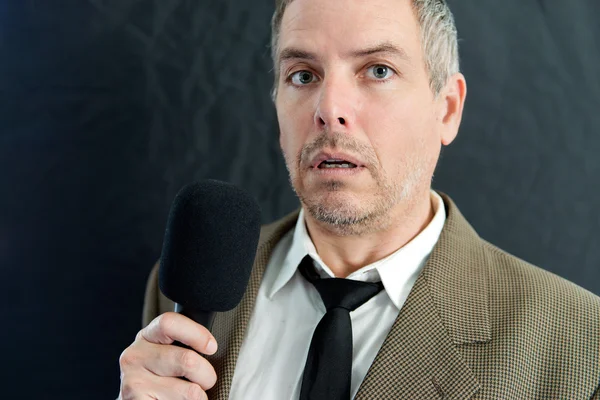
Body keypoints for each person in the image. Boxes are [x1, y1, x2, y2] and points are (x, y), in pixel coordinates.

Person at [118, 0, 600, 399]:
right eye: (303, 75)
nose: (329, 110)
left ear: (447, 109)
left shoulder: (580, 343)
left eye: (377, 70)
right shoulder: (181, 284)